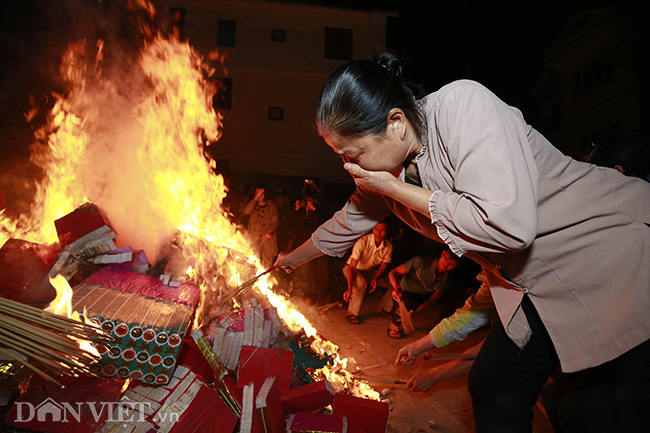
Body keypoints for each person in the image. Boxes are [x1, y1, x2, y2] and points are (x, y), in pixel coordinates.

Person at [276, 52, 650, 432]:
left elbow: (508, 225)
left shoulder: (462, 106)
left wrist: (396, 189)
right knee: (493, 386)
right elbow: (347, 221)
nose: (348, 167)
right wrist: (289, 260)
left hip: (613, 254)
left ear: (395, 124)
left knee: (593, 412)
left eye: (351, 154)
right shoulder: (383, 174)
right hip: (537, 286)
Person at [378, 249, 459, 338]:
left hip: (422, 297)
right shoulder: (420, 262)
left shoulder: (446, 279)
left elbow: (432, 301)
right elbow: (393, 273)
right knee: (403, 303)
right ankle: (394, 325)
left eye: (451, 263)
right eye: (446, 259)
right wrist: (396, 287)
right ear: (443, 253)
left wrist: (416, 313)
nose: (447, 264)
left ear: (456, 266)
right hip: (405, 292)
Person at [342, 219, 392, 324]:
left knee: (392, 282)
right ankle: (351, 313)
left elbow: (382, 267)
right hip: (352, 269)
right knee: (361, 283)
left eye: (381, 230)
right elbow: (351, 268)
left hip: (369, 271)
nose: (378, 232)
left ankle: (381, 309)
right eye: (376, 229)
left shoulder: (388, 247)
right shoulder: (363, 242)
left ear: (387, 232)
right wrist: (349, 288)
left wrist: (375, 278)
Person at [243, 183, 279, 268]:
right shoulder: (252, 206)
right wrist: (255, 198)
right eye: (257, 193)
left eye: (261, 193)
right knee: (253, 265)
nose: (260, 195)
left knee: (266, 267)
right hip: (254, 241)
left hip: (267, 243)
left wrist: (270, 231)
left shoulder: (271, 206)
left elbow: (275, 221)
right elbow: (245, 212)